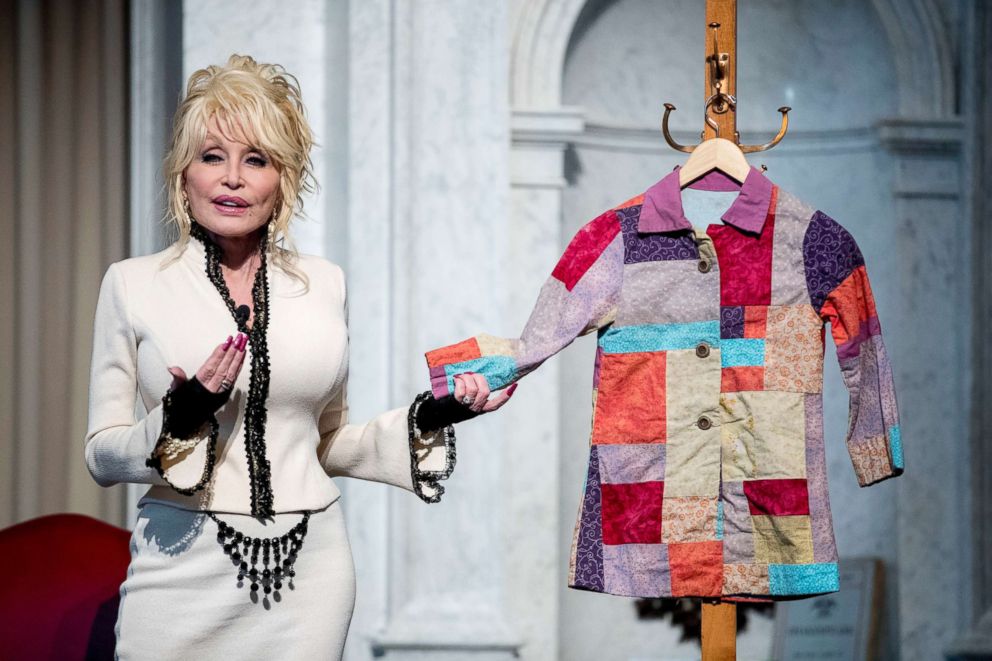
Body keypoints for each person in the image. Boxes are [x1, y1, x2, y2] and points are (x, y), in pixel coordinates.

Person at [84, 54, 515, 659]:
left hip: (310, 573)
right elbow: (101, 455)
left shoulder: (324, 284)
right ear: (183, 175)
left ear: (283, 179)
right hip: (177, 570)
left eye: (256, 159)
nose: (232, 178)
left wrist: (432, 416)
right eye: (212, 156)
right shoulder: (132, 284)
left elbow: (326, 442)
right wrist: (177, 419)